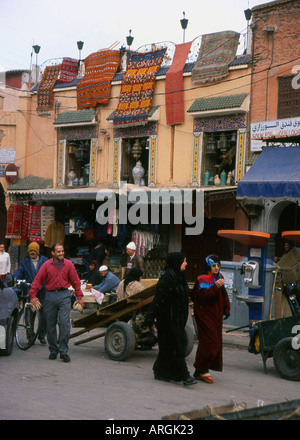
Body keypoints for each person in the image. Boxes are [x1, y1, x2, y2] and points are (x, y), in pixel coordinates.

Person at [143, 252, 197, 386]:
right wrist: (148, 320)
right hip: (167, 320)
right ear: (176, 262)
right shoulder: (167, 279)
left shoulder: (180, 276)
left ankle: (160, 371)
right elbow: (157, 301)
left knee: (168, 347)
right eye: (184, 261)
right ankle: (184, 375)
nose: (186, 263)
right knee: (177, 346)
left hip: (179, 320)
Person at [28, 243, 84, 362]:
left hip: (64, 295)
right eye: (58, 252)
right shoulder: (46, 265)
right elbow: (37, 281)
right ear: (53, 253)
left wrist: (79, 297)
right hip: (50, 296)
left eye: (62, 251)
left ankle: (63, 351)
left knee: (64, 323)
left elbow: (76, 281)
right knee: (50, 324)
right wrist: (33, 296)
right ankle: (53, 350)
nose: (61, 254)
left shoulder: (69, 264)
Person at [190, 254, 230, 384]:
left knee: (208, 343)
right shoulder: (202, 279)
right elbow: (202, 297)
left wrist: (227, 308)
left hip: (216, 316)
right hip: (205, 316)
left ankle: (199, 371)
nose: (216, 268)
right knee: (212, 342)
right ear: (208, 265)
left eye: (218, 265)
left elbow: (223, 295)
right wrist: (215, 287)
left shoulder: (220, 278)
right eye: (214, 265)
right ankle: (203, 369)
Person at [13, 242, 48, 344]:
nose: (32, 252)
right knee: (29, 316)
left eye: (34, 250)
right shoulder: (24, 262)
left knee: (44, 315)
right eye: (30, 250)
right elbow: (19, 271)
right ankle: (30, 337)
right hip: (29, 291)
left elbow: (48, 274)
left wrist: (43, 284)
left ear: (37, 251)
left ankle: (41, 335)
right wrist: (15, 277)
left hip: (42, 293)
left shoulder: (44, 261)